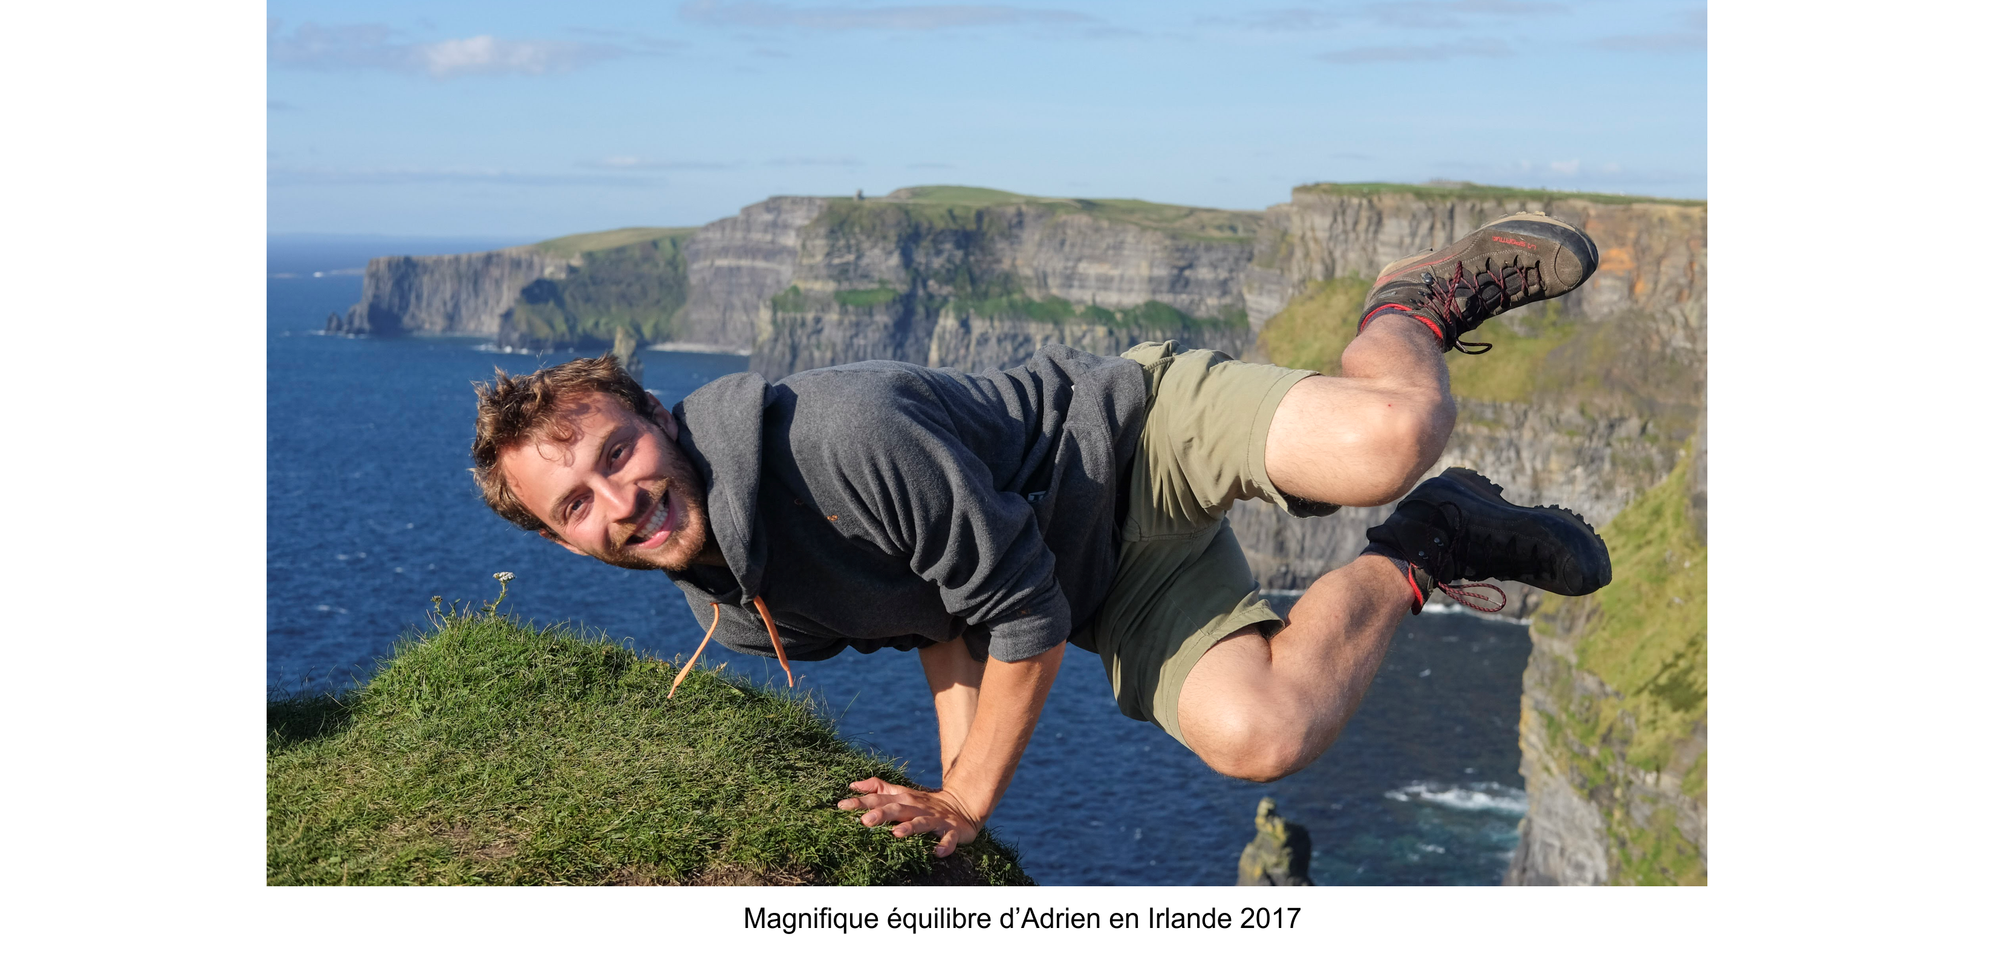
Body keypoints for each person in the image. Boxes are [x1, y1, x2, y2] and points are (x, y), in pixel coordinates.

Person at [468, 211, 1614, 858]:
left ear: (661, 419)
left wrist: (966, 797)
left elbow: (1016, 616)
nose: (616, 499)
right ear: (566, 544)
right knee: (1260, 731)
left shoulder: (839, 435)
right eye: (575, 503)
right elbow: (939, 619)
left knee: (1387, 432)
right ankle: (1429, 542)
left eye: (614, 453)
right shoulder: (734, 612)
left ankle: (1406, 305)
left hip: (1126, 438)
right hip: (1109, 580)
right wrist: (937, 802)